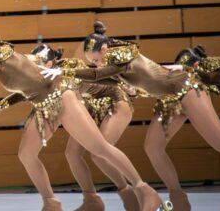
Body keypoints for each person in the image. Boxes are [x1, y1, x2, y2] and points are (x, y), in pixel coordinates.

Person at [0, 25, 167, 211]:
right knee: (27, 154)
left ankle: (145, 190)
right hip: (42, 105)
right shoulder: (1, 58)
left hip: (61, 97)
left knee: (99, 147)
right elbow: (27, 87)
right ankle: (53, 203)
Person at [44, 21, 220, 210]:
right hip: (170, 96)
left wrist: (66, 71)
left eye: (96, 59)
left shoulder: (120, 53)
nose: (97, 63)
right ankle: (178, 199)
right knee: (153, 146)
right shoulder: (115, 63)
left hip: (185, 87)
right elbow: (106, 78)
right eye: (93, 61)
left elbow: (99, 74)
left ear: (104, 50)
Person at [16, 44, 139, 211]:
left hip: (114, 102)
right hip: (89, 106)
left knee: (99, 153)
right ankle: (92, 200)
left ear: (50, 64)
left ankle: (134, 192)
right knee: (72, 153)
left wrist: (130, 88)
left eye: (37, 66)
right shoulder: (43, 78)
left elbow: (97, 75)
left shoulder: (70, 67)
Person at [144, 46, 220, 211]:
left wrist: (182, 70)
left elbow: (203, 75)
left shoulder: (217, 71)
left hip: (190, 89)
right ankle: (178, 198)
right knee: (152, 146)